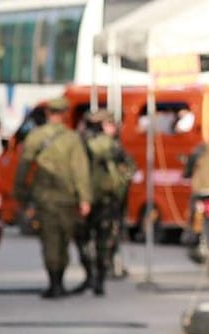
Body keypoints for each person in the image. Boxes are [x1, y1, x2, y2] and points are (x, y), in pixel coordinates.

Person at [13, 97, 91, 298]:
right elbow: (80, 171)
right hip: (67, 199)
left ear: (48, 113)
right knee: (63, 240)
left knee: (50, 239)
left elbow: (24, 167)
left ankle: (54, 282)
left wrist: (21, 194)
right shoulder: (72, 139)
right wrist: (85, 199)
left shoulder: (36, 137)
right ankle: (59, 282)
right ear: (65, 114)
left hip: (44, 198)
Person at [76, 110, 134, 297]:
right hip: (106, 200)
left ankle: (91, 276)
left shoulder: (81, 142)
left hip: (86, 199)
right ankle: (98, 279)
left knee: (84, 239)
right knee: (104, 241)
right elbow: (129, 168)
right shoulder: (111, 145)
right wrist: (119, 188)